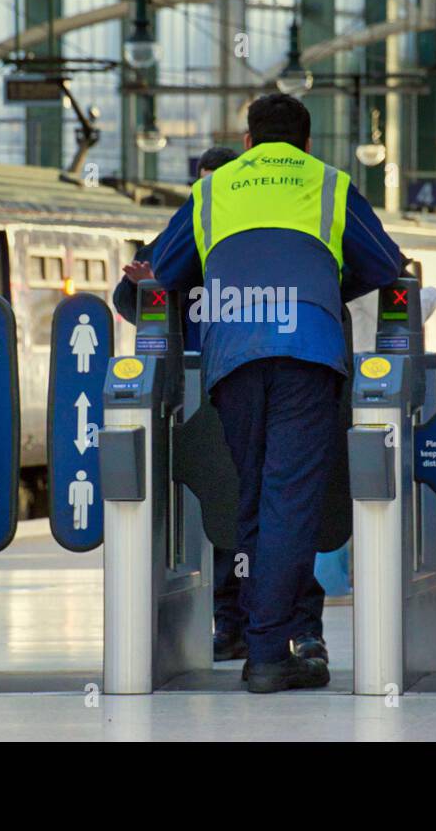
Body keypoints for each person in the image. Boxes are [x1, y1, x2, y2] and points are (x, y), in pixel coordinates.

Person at [151, 94, 402, 693]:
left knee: (253, 495)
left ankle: (259, 635)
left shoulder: (214, 190)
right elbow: (387, 265)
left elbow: (163, 269)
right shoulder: (328, 184)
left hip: (231, 355)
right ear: (307, 143)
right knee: (289, 497)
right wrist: (326, 281)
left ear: (247, 142)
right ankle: (267, 652)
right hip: (306, 349)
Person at [113, 146, 252, 662]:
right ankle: (220, 621)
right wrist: (148, 287)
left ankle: (235, 621)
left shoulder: (246, 239)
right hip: (186, 386)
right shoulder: (179, 230)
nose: (206, 196)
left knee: (228, 510)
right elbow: (127, 300)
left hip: (228, 382)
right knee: (199, 508)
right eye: (201, 187)